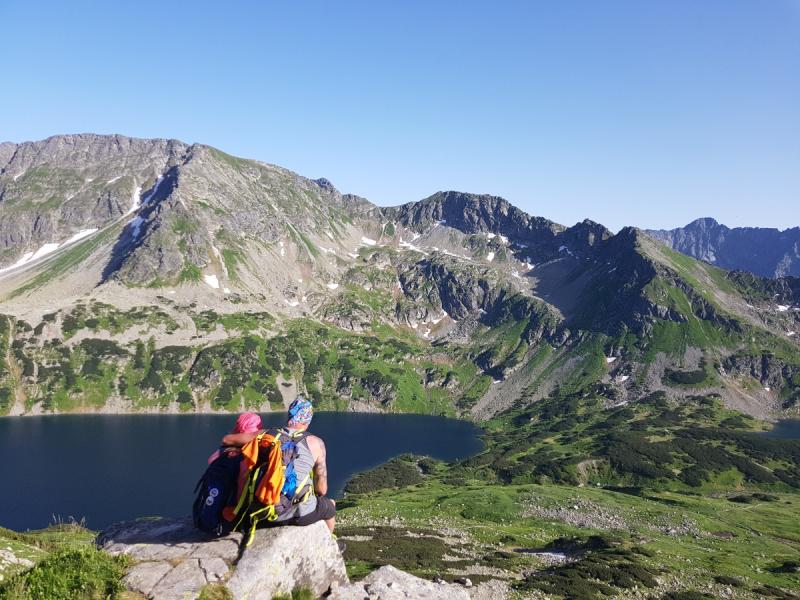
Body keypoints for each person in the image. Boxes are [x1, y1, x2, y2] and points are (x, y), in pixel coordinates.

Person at [221, 396, 337, 533]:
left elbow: (226, 440)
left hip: (265, 511)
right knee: (330, 506)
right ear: (308, 420)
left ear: (290, 415)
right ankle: (331, 544)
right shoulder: (316, 443)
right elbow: (322, 490)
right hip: (301, 513)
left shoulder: (266, 434)